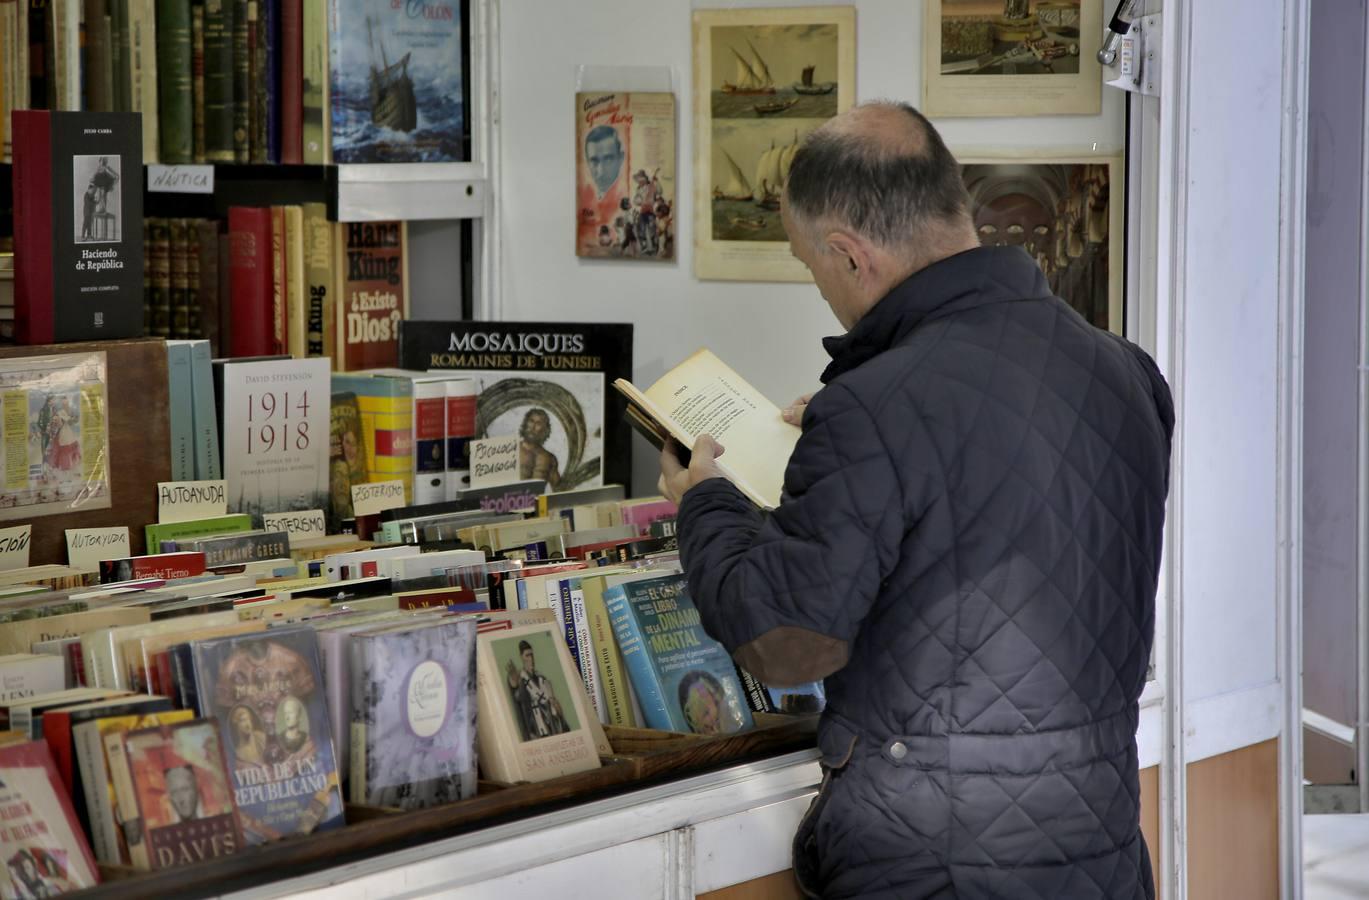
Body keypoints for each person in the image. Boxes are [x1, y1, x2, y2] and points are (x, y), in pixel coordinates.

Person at [658, 102, 1173, 900]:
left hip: (936, 860)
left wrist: (707, 503)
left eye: (808, 264)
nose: (820, 285)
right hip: (1100, 845)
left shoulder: (874, 407)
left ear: (847, 254)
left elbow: (791, 644)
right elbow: (989, 510)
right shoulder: (1124, 372)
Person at [504, 640, 570, 741]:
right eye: (527, 655)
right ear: (521, 657)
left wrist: (557, 710)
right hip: (536, 731)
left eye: (532, 655)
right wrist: (514, 681)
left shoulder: (541, 679)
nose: (531, 659)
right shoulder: (521, 679)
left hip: (552, 728)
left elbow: (552, 705)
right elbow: (517, 694)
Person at [517, 408, 562, 490]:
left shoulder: (549, 458)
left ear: (545, 429)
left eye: (538, 423)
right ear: (525, 423)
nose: (533, 427)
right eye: (531, 421)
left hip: (539, 502)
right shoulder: (512, 450)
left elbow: (559, 491)